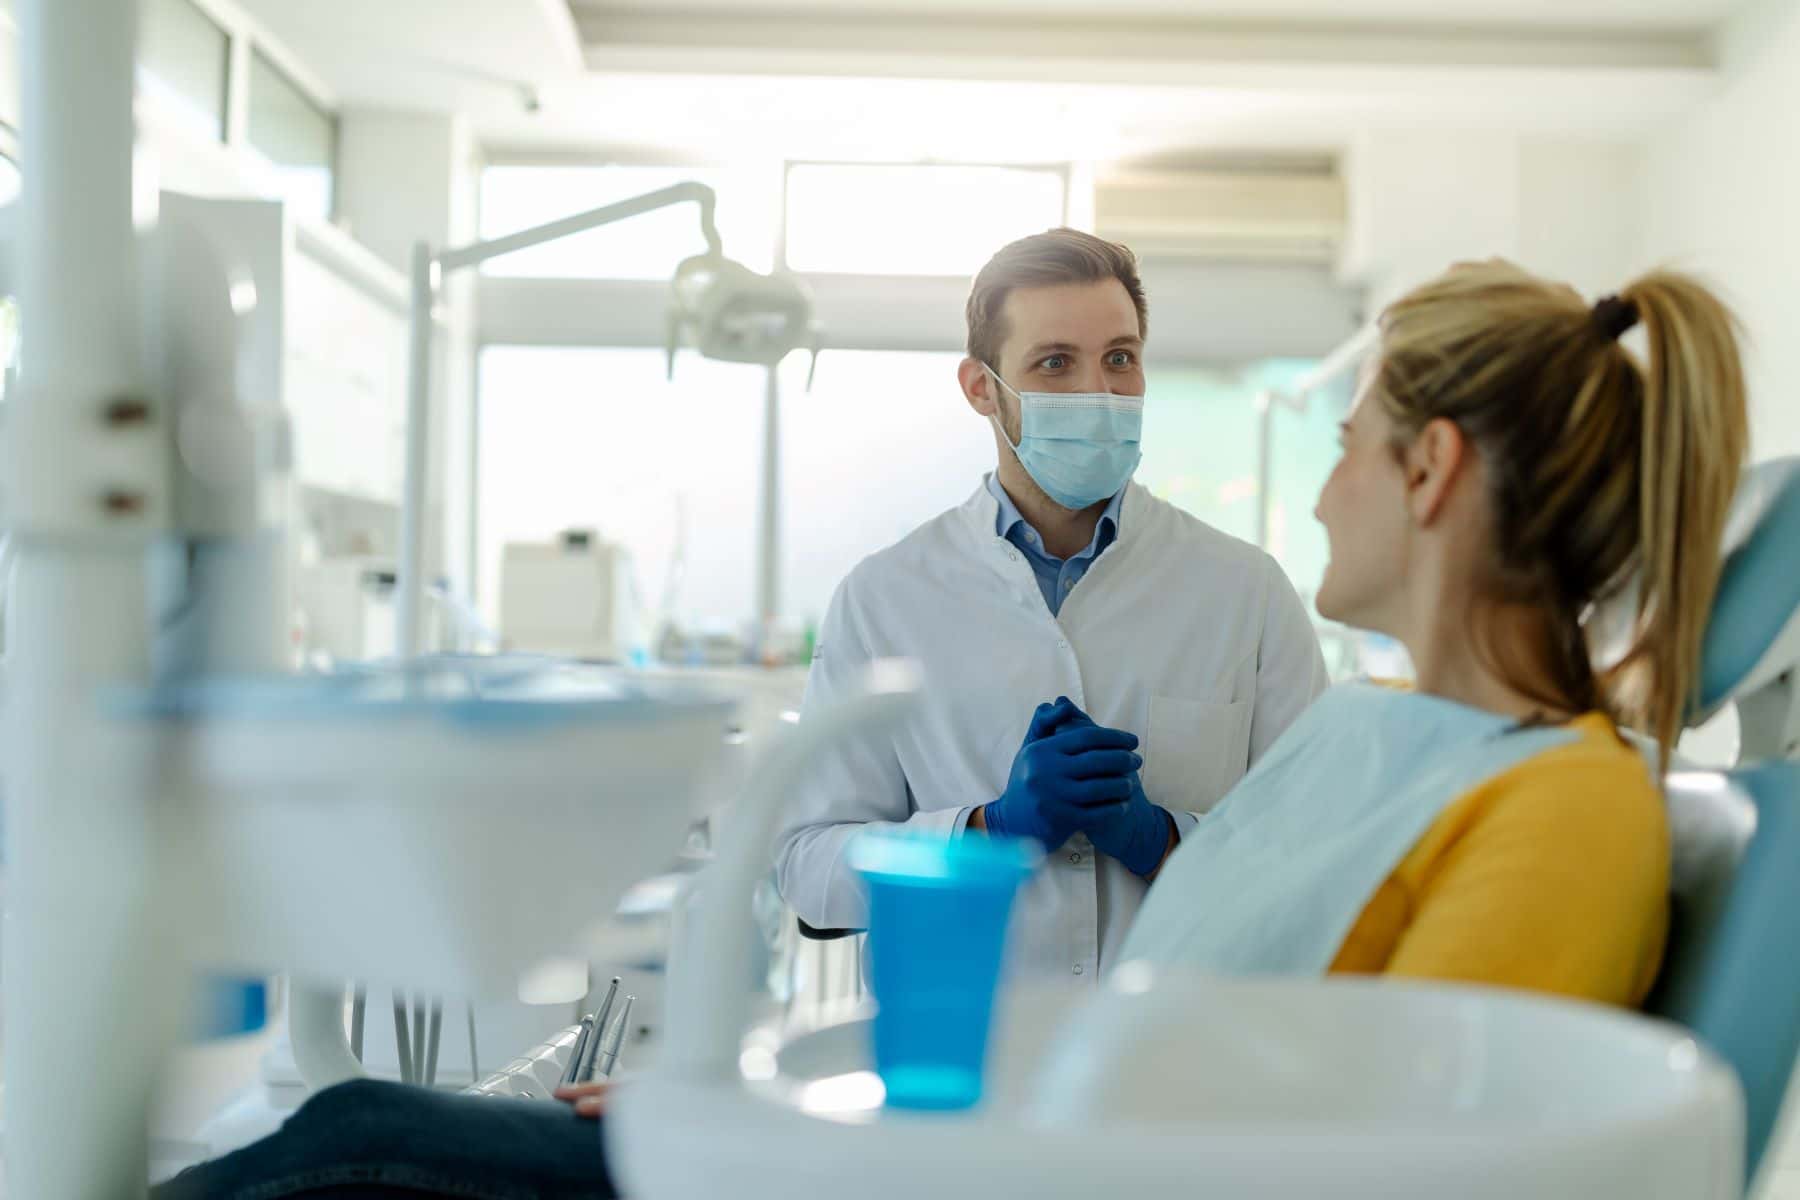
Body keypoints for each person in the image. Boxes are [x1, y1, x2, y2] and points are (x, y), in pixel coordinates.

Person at [155, 258, 1748, 1197]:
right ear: (983, 387)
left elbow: (1351, 1163)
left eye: (1350, 441)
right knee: (354, 1122)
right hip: (983, 1128)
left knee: (357, 1142)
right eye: (1060, 364)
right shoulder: (1382, 740)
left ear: (1431, 474)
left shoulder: (1560, 806)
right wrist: (772, 1084)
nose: (1323, 480)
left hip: (998, 1175)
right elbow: (1172, 1031)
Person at [773, 228, 1328, 980]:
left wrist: (1162, 839)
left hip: (1177, 1055)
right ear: (981, 389)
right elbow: (807, 867)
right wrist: (981, 834)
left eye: (1120, 359)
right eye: (1055, 363)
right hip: (962, 1052)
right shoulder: (885, 598)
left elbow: (1317, 861)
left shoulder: (1246, 590)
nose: (1098, 392)